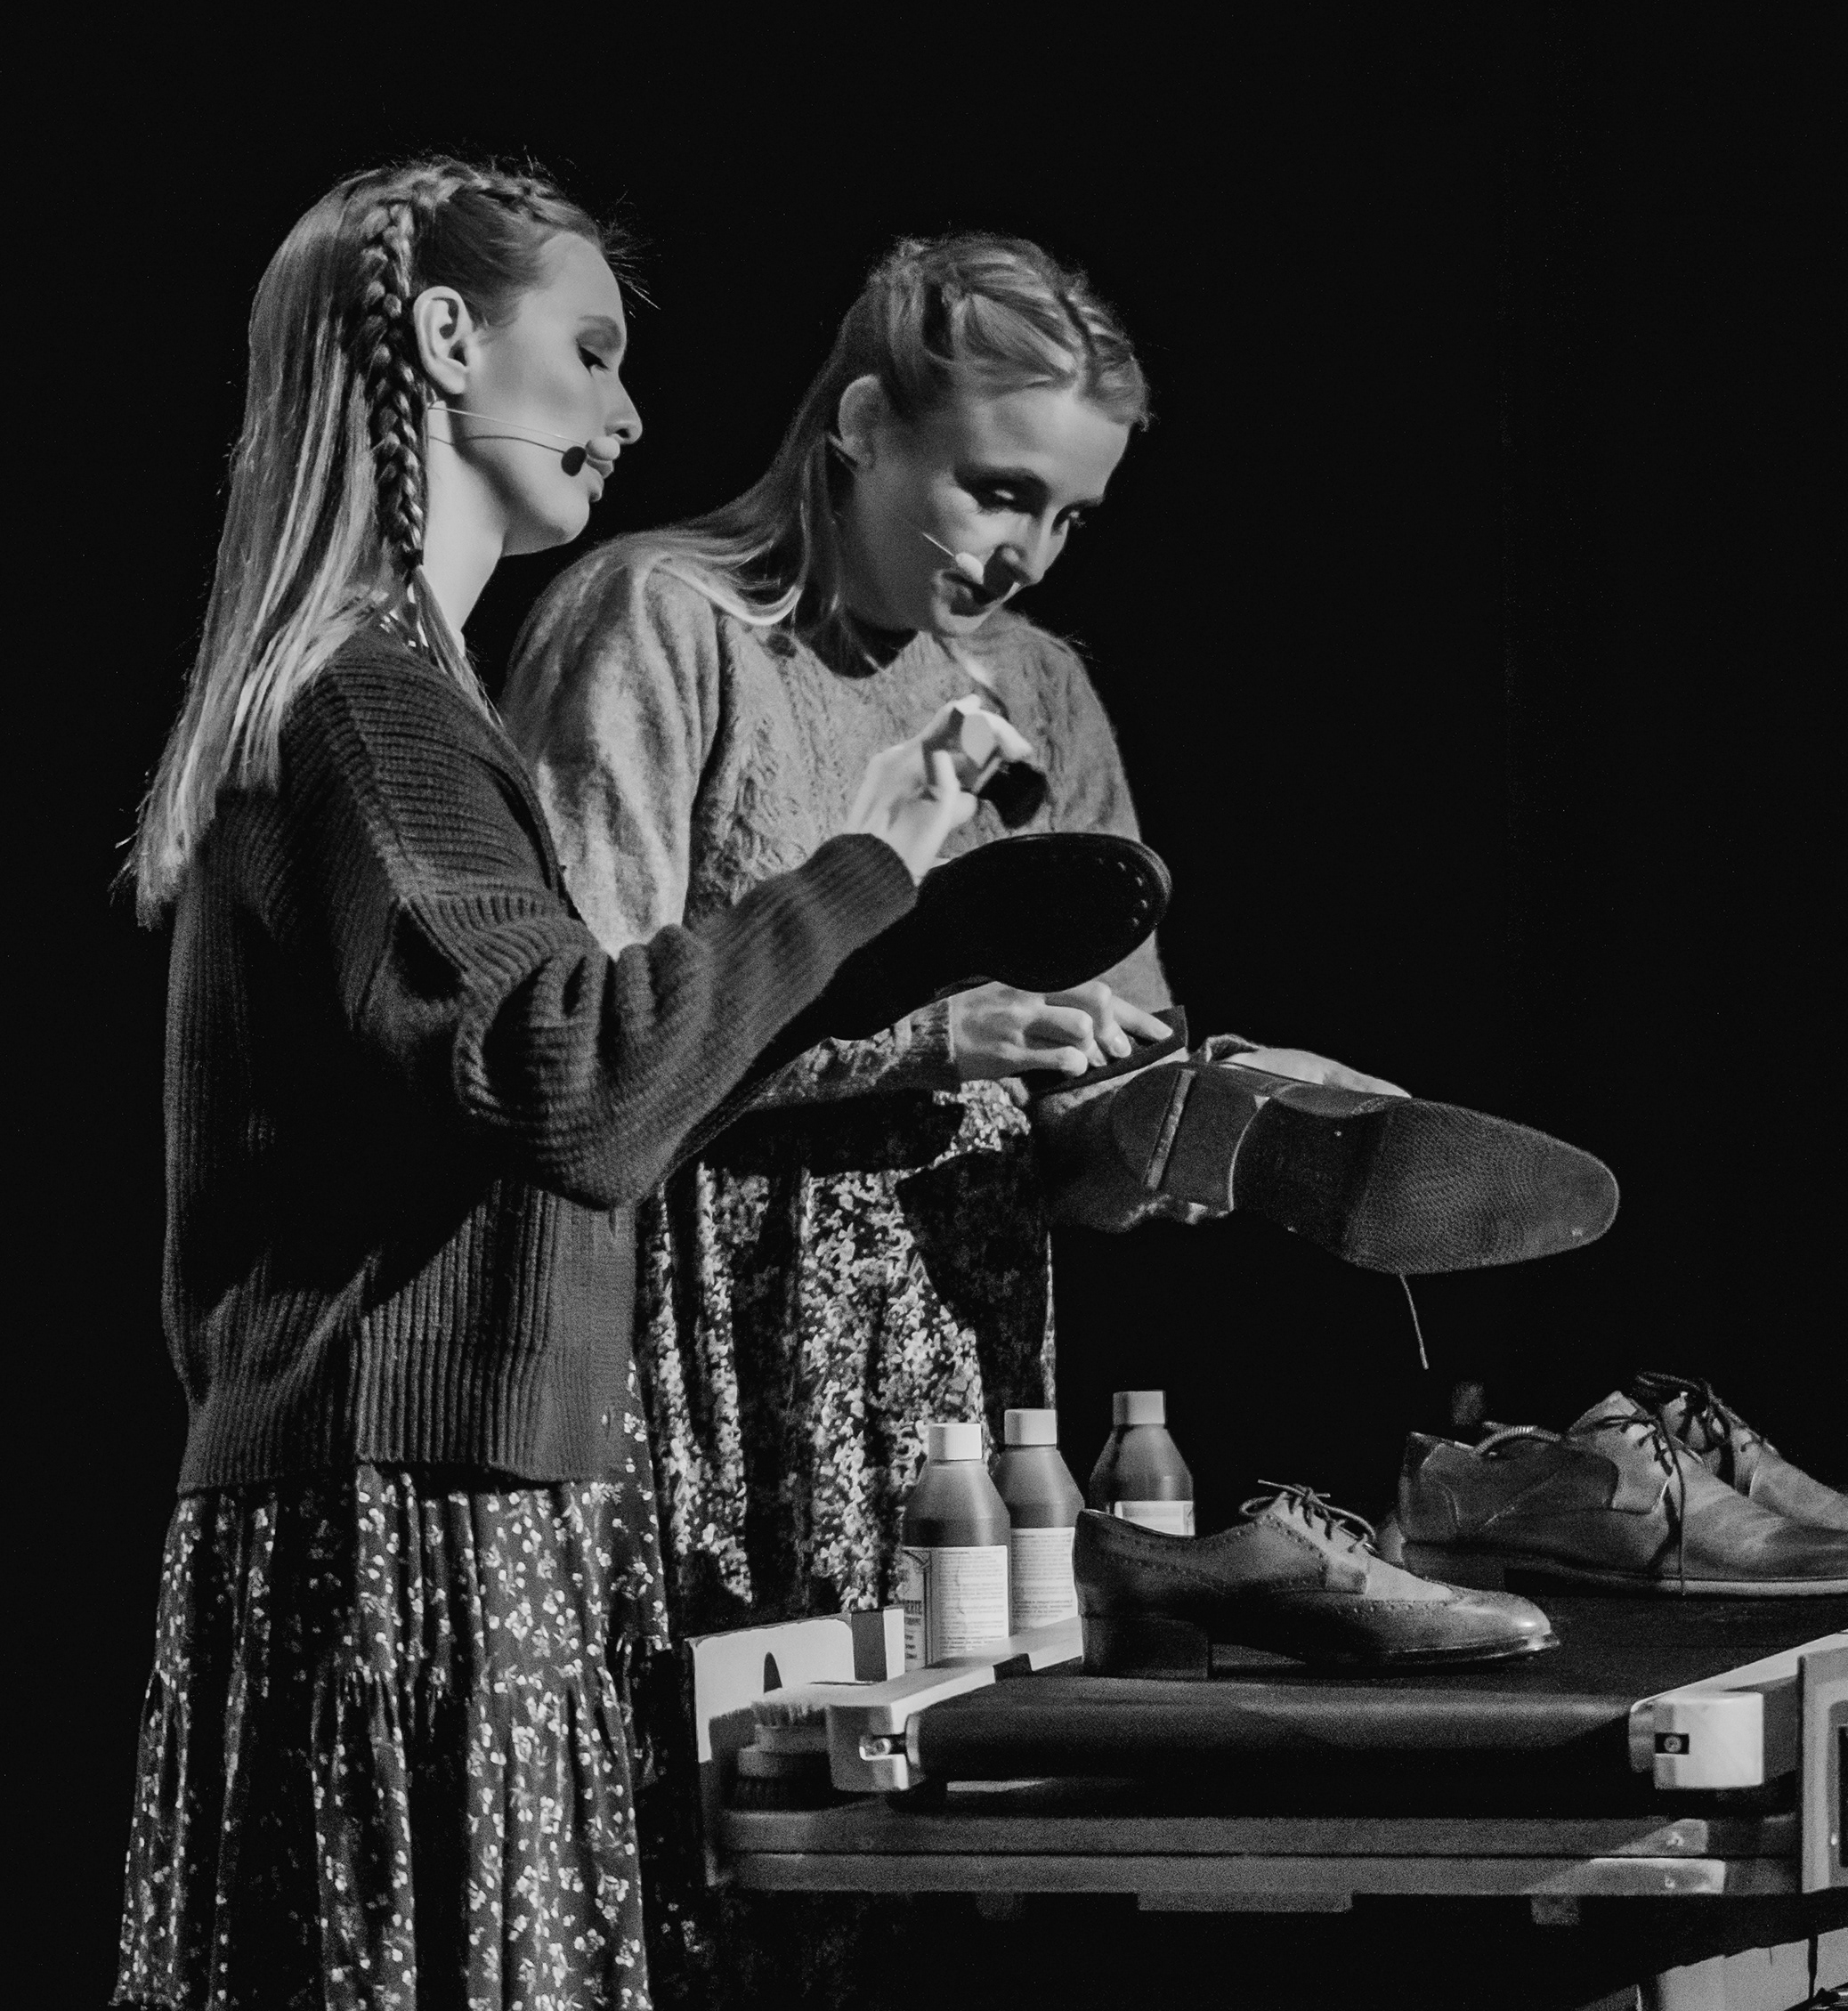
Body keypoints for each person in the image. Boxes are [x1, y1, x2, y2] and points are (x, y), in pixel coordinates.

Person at [109, 159, 1007, 2011]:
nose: (629, 411)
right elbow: (575, 1079)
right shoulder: (371, 704)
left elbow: (589, 1091)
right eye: (589, 352)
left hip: (429, 1506)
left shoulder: (392, 696)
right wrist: (863, 868)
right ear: (448, 340)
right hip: (408, 1519)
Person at [498, 232, 1412, 1999]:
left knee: (944, 1853)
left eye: (1067, 517)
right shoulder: (662, 622)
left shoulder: (1033, 685)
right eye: (997, 490)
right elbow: (587, 1054)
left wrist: (1173, 1127)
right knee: (714, 1849)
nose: (1024, 553)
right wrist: (929, 1037)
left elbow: (1090, 1098)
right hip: (701, 1338)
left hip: (954, 1357)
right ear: (860, 425)